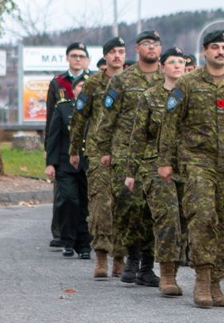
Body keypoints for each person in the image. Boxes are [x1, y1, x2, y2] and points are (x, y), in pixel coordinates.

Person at [160, 29, 224, 308]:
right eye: (215, 47)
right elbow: (170, 123)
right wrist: (165, 161)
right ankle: (202, 280)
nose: (221, 52)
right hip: (198, 162)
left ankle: (215, 282)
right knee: (203, 217)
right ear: (205, 51)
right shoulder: (187, 84)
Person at [94, 28, 165, 288]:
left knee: (153, 210)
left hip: (158, 154)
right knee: (128, 207)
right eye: (147, 44)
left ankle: (147, 265)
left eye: (155, 44)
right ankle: (130, 258)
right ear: (137, 49)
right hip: (125, 153)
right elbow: (107, 117)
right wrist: (104, 149)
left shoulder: (167, 79)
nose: (151, 48)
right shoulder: (122, 80)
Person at [124, 47, 192, 298]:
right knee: (168, 216)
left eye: (181, 62)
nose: (177, 66)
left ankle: (172, 265)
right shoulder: (150, 96)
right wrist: (131, 171)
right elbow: (138, 136)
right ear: (162, 67)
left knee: (184, 218)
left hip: (186, 164)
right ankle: (167, 275)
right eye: (172, 62)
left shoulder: (192, 95)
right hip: (153, 165)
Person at [69, 36, 127, 280]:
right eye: (112, 52)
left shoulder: (132, 82)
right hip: (98, 151)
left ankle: (121, 258)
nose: (117, 56)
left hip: (126, 153)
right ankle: (102, 257)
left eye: (121, 51)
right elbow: (80, 118)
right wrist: (74, 150)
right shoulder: (92, 85)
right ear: (105, 56)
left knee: (124, 206)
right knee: (101, 205)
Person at [46, 41, 89, 249]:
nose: (77, 59)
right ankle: (61, 233)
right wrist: (49, 153)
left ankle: (83, 239)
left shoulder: (93, 82)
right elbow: (50, 118)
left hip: (86, 154)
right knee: (63, 196)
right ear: (67, 58)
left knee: (82, 197)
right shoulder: (58, 83)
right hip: (63, 146)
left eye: (81, 55)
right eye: (74, 55)